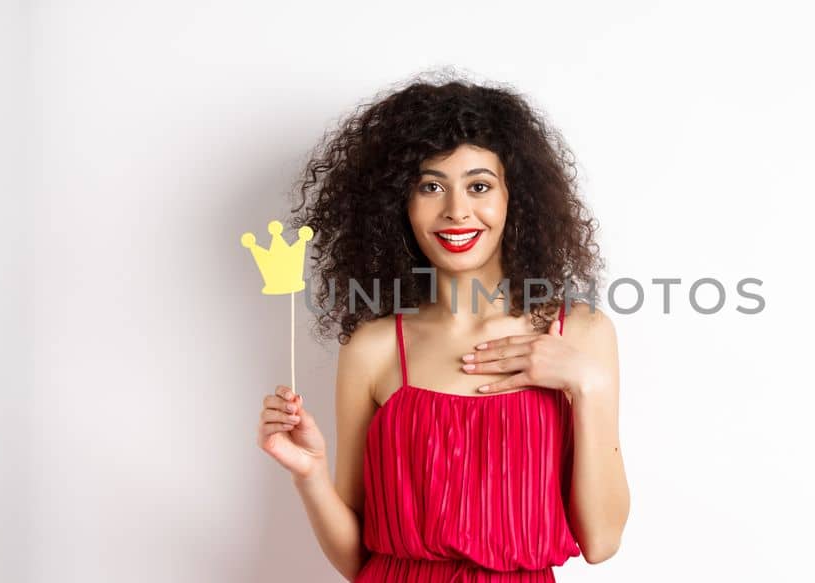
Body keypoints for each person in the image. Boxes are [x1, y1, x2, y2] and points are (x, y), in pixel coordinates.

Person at [255, 75, 629, 582]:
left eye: (479, 186)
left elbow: (602, 542)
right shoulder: (374, 348)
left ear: (514, 198)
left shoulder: (578, 333)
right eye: (431, 186)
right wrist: (310, 474)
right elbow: (357, 561)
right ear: (399, 206)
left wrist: (589, 384)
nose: (456, 210)